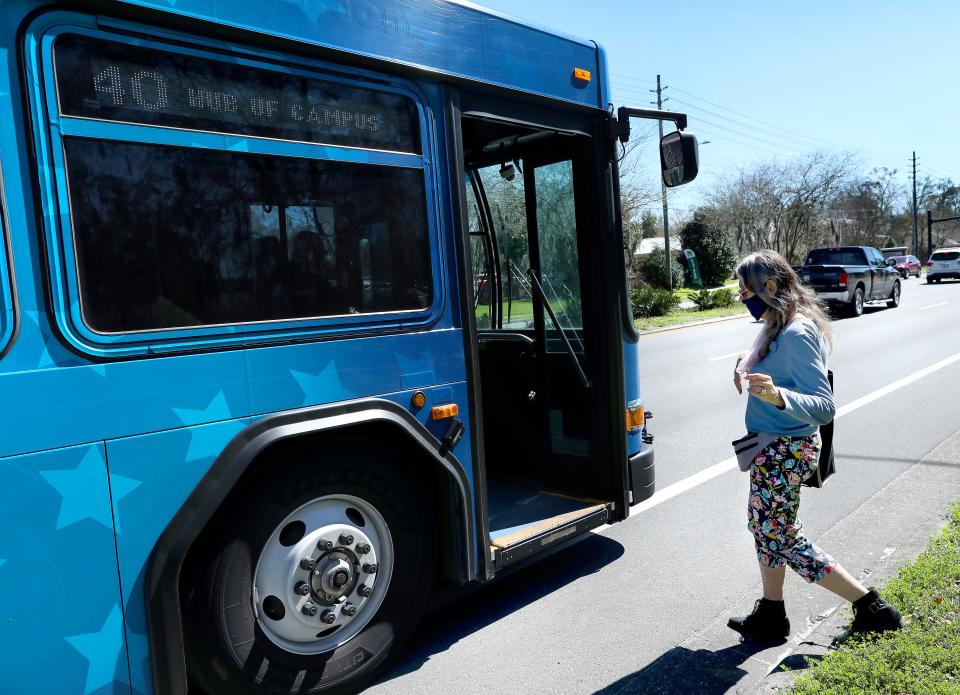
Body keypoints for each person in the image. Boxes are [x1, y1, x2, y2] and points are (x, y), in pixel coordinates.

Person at [727, 249, 902, 642]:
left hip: (785, 450)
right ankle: (772, 613)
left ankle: (870, 605)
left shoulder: (797, 331)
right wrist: (746, 363)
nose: (742, 297)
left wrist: (778, 397)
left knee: (779, 535)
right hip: (772, 447)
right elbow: (769, 359)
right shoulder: (777, 322)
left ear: (769, 287)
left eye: (745, 289)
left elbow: (824, 407)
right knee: (766, 529)